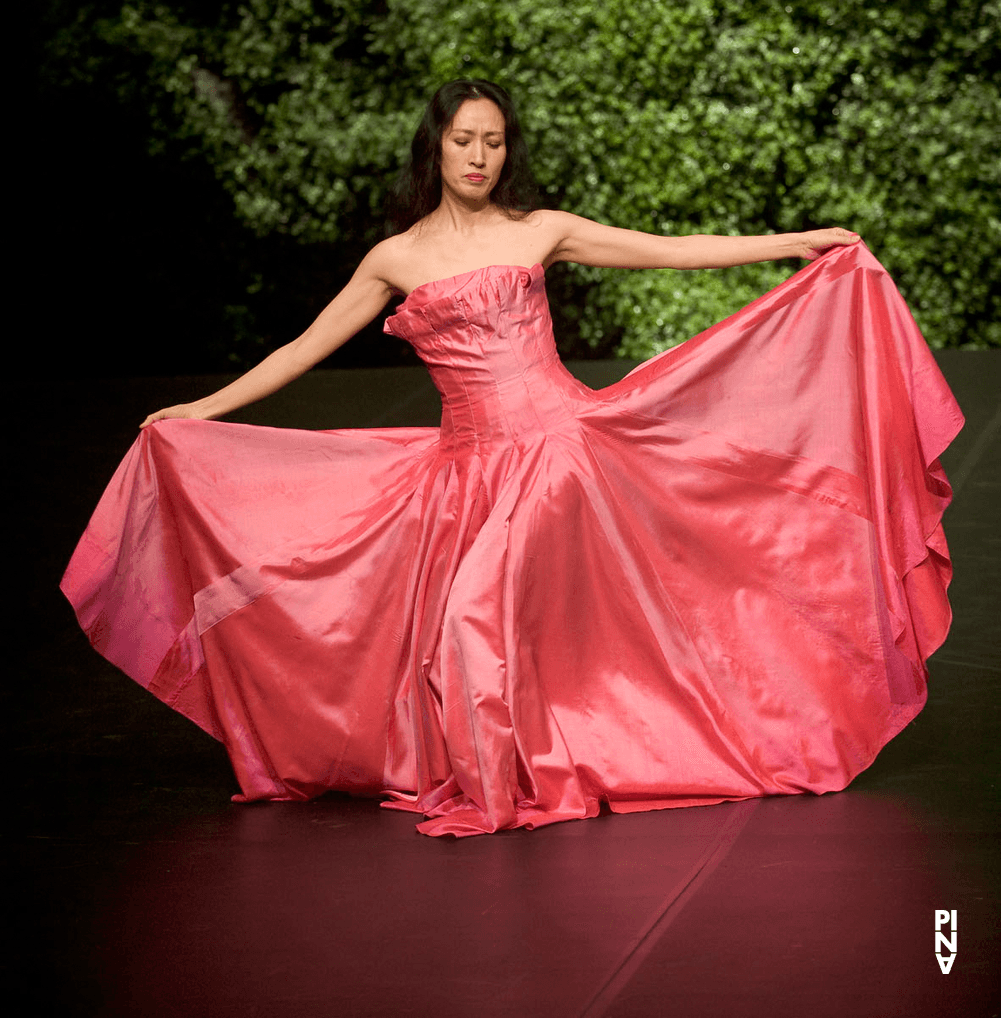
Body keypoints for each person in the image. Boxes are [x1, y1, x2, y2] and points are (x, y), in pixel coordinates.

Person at [62, 79, 962, 838]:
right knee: (440, 622)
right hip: (460, 472)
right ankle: (516, 768)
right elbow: (302, 349)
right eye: (464, 140)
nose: (479, 156)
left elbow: (668, 254)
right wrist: (199, 410)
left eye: (493, 142)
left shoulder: (538, 229)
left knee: (473, 622)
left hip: (559, 455)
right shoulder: (397, 257)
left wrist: (795, 243)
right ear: (438, 149)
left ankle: (500, 788)